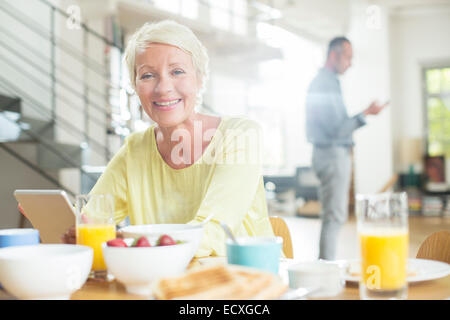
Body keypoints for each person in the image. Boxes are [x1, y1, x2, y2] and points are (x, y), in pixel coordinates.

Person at [61, 20, 275, 257]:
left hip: (243, 282)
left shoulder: (241, 135)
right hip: (163, 287)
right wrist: (65, 224)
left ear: (200, 79)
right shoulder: (135, 150)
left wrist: (126, 240)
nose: (163, 88)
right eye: (148, 75)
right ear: (135, 85)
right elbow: (92, 220)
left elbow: (214, 232)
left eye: (177, 71)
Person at [305, 37, 388, 260]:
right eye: (348, 57)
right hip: (332, 154)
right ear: (334, 55)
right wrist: (366, 114)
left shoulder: (327, 82)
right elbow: (336, 128)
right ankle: (326, 272)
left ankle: (326, 268)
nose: (350, 63)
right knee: (334, 217)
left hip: (329, 154)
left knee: (333, 216)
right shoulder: (325, 83)